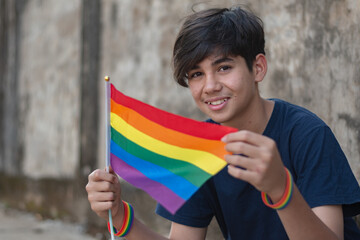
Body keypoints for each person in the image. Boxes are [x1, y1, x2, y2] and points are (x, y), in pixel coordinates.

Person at [86, 6, 360, 240]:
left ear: (258, 68)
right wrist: (120, 216)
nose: (210, 86)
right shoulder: (199, 150)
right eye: (196, 74)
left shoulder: (307, 134)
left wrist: (281, 188)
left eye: (224, 68)